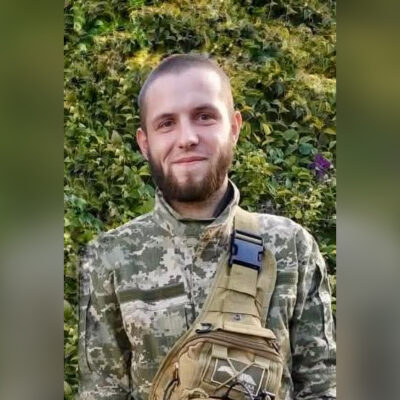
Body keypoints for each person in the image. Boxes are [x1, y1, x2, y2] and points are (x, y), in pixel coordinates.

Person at [78, 54, 336, 400]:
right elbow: (102, 392)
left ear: (234, 127)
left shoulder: (292, 247)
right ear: (144, 142)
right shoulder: (109, 258)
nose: (187, 138)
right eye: (166, 123)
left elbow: (323, 388)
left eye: (204, 116)